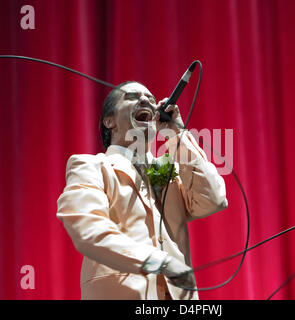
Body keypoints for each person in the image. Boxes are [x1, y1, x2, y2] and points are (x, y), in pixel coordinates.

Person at [56, 81, 228, 300]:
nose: (147, 100)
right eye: (131, 97)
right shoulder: (91, 166)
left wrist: (178, 134)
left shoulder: (171, 169)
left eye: (151, 99)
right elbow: (89, 230)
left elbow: (213, 200)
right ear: (109, 121)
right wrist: (158, 261)